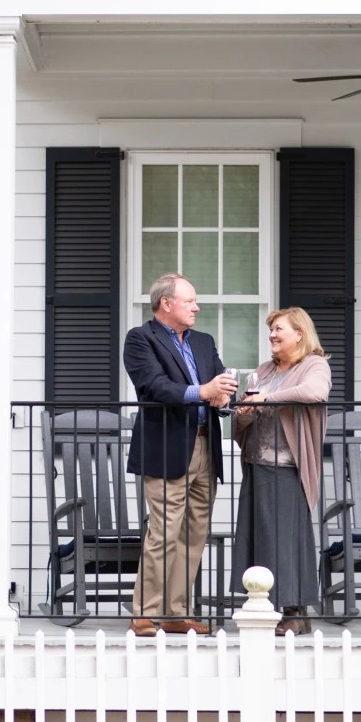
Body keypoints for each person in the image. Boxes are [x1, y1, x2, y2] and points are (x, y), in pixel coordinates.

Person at [123, 273, 239, 638]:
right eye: (190, 301)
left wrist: (223, 397)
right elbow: (154, 386)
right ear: (166, 303)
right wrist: (204, 391)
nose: (197, 307)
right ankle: (144, 611)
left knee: (193, 531)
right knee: (165, 529)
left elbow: (221, 383)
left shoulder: (204, 342)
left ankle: (176, 612)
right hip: (166, 446)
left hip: (205, 444)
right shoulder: (141, 338)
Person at [230, 307, 332, 636]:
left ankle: (294, 610)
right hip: (257, 463)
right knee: (260, 538)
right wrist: (244, 411)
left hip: (288, 467)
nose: (272, 335)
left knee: (286, 539)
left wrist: (267, 399)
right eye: (271, 330)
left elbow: (314, 392)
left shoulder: (313, 365)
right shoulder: (262, 371)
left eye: (279, 329)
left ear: (299, 334)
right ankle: (268, 608)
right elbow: (244, 420)